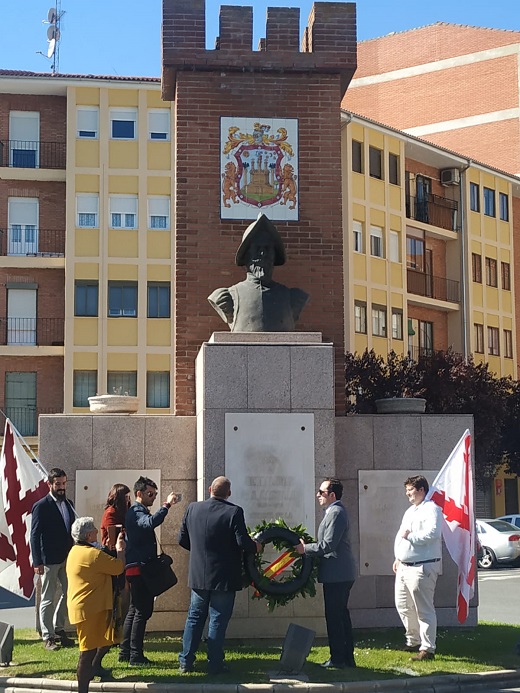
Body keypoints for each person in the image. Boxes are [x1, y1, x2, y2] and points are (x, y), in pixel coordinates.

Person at [178, 476, 260, 674]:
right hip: (224, 575)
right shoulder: (234, 511)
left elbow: (182, 539)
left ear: (209, 489)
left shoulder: (192, 508)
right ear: (229, 493)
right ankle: (214, 663)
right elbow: (243, 542)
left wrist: (199, 552)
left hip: (199, 575)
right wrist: (256, 547)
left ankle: (185, 661)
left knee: (195, 617)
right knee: (218, 619)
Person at [208, 213, 309, 332]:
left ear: (274, 256)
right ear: (246, 256)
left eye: (267, 249)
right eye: (257, 249)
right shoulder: (227, 297)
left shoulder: (294, 297)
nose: (262, 254)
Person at [294, 478, 356, 669]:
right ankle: (345, 658)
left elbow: (328, 545)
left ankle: (338, 659)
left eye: (321, 492)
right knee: (340, 616)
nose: (318, 495)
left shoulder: (336, 512)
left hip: (338, 574)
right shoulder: (333, 512)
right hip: (337, 574)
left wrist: (305, 549)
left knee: (335, 617)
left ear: (332, 495)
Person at [119, 476, 179, 666]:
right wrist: (167, 506)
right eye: (150, 494)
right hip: (139, 569)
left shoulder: (136, 511)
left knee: (134, 610)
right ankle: (135, 655)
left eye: (155, 494)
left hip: (137, 568)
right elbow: (150, 522)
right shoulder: (136, 511)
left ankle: (125, 652)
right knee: (142, 612)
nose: (153, 497)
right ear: (139, 494)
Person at [66, 517, 125, 693]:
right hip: (90, 610)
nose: (97, 532)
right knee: (87, 652)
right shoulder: (93, 554)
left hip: (92, 606)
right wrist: (121, 550)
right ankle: (82, 688)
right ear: (87, 535)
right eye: (93, 530)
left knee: (107, 640)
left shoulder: (76, 550)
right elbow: (118, 567)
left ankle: (95, 667)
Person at [393, 475, 443, 661]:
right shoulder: (410, 511)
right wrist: (398, 557)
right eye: (406, 490)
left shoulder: (432, 509)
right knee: (403, 605)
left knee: (424, 609)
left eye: (411, 490)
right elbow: (401, 535)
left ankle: (428, 648)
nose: (408, 494)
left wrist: (411, 536)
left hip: (423, 566)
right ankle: (412, 640)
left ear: (422, 490)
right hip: (404, 566)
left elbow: (433, 534)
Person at [30, 467, 76, 650]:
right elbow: (34, 535)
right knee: (47, 598)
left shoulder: (68, 503)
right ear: (49, 484)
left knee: (69, 593)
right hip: (48, 560)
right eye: (58, 484)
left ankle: (59, 628)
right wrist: (37, 562)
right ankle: (48, 636)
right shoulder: (41, 506)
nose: (61, 487)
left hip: (68, 558)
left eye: (64, 484)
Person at [100, 484, 131, 550]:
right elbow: (114, 533)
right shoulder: (111, 513)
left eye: (129, 497)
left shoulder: (124, 512)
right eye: (126, 497)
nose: (128, 500)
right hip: (113, 550)